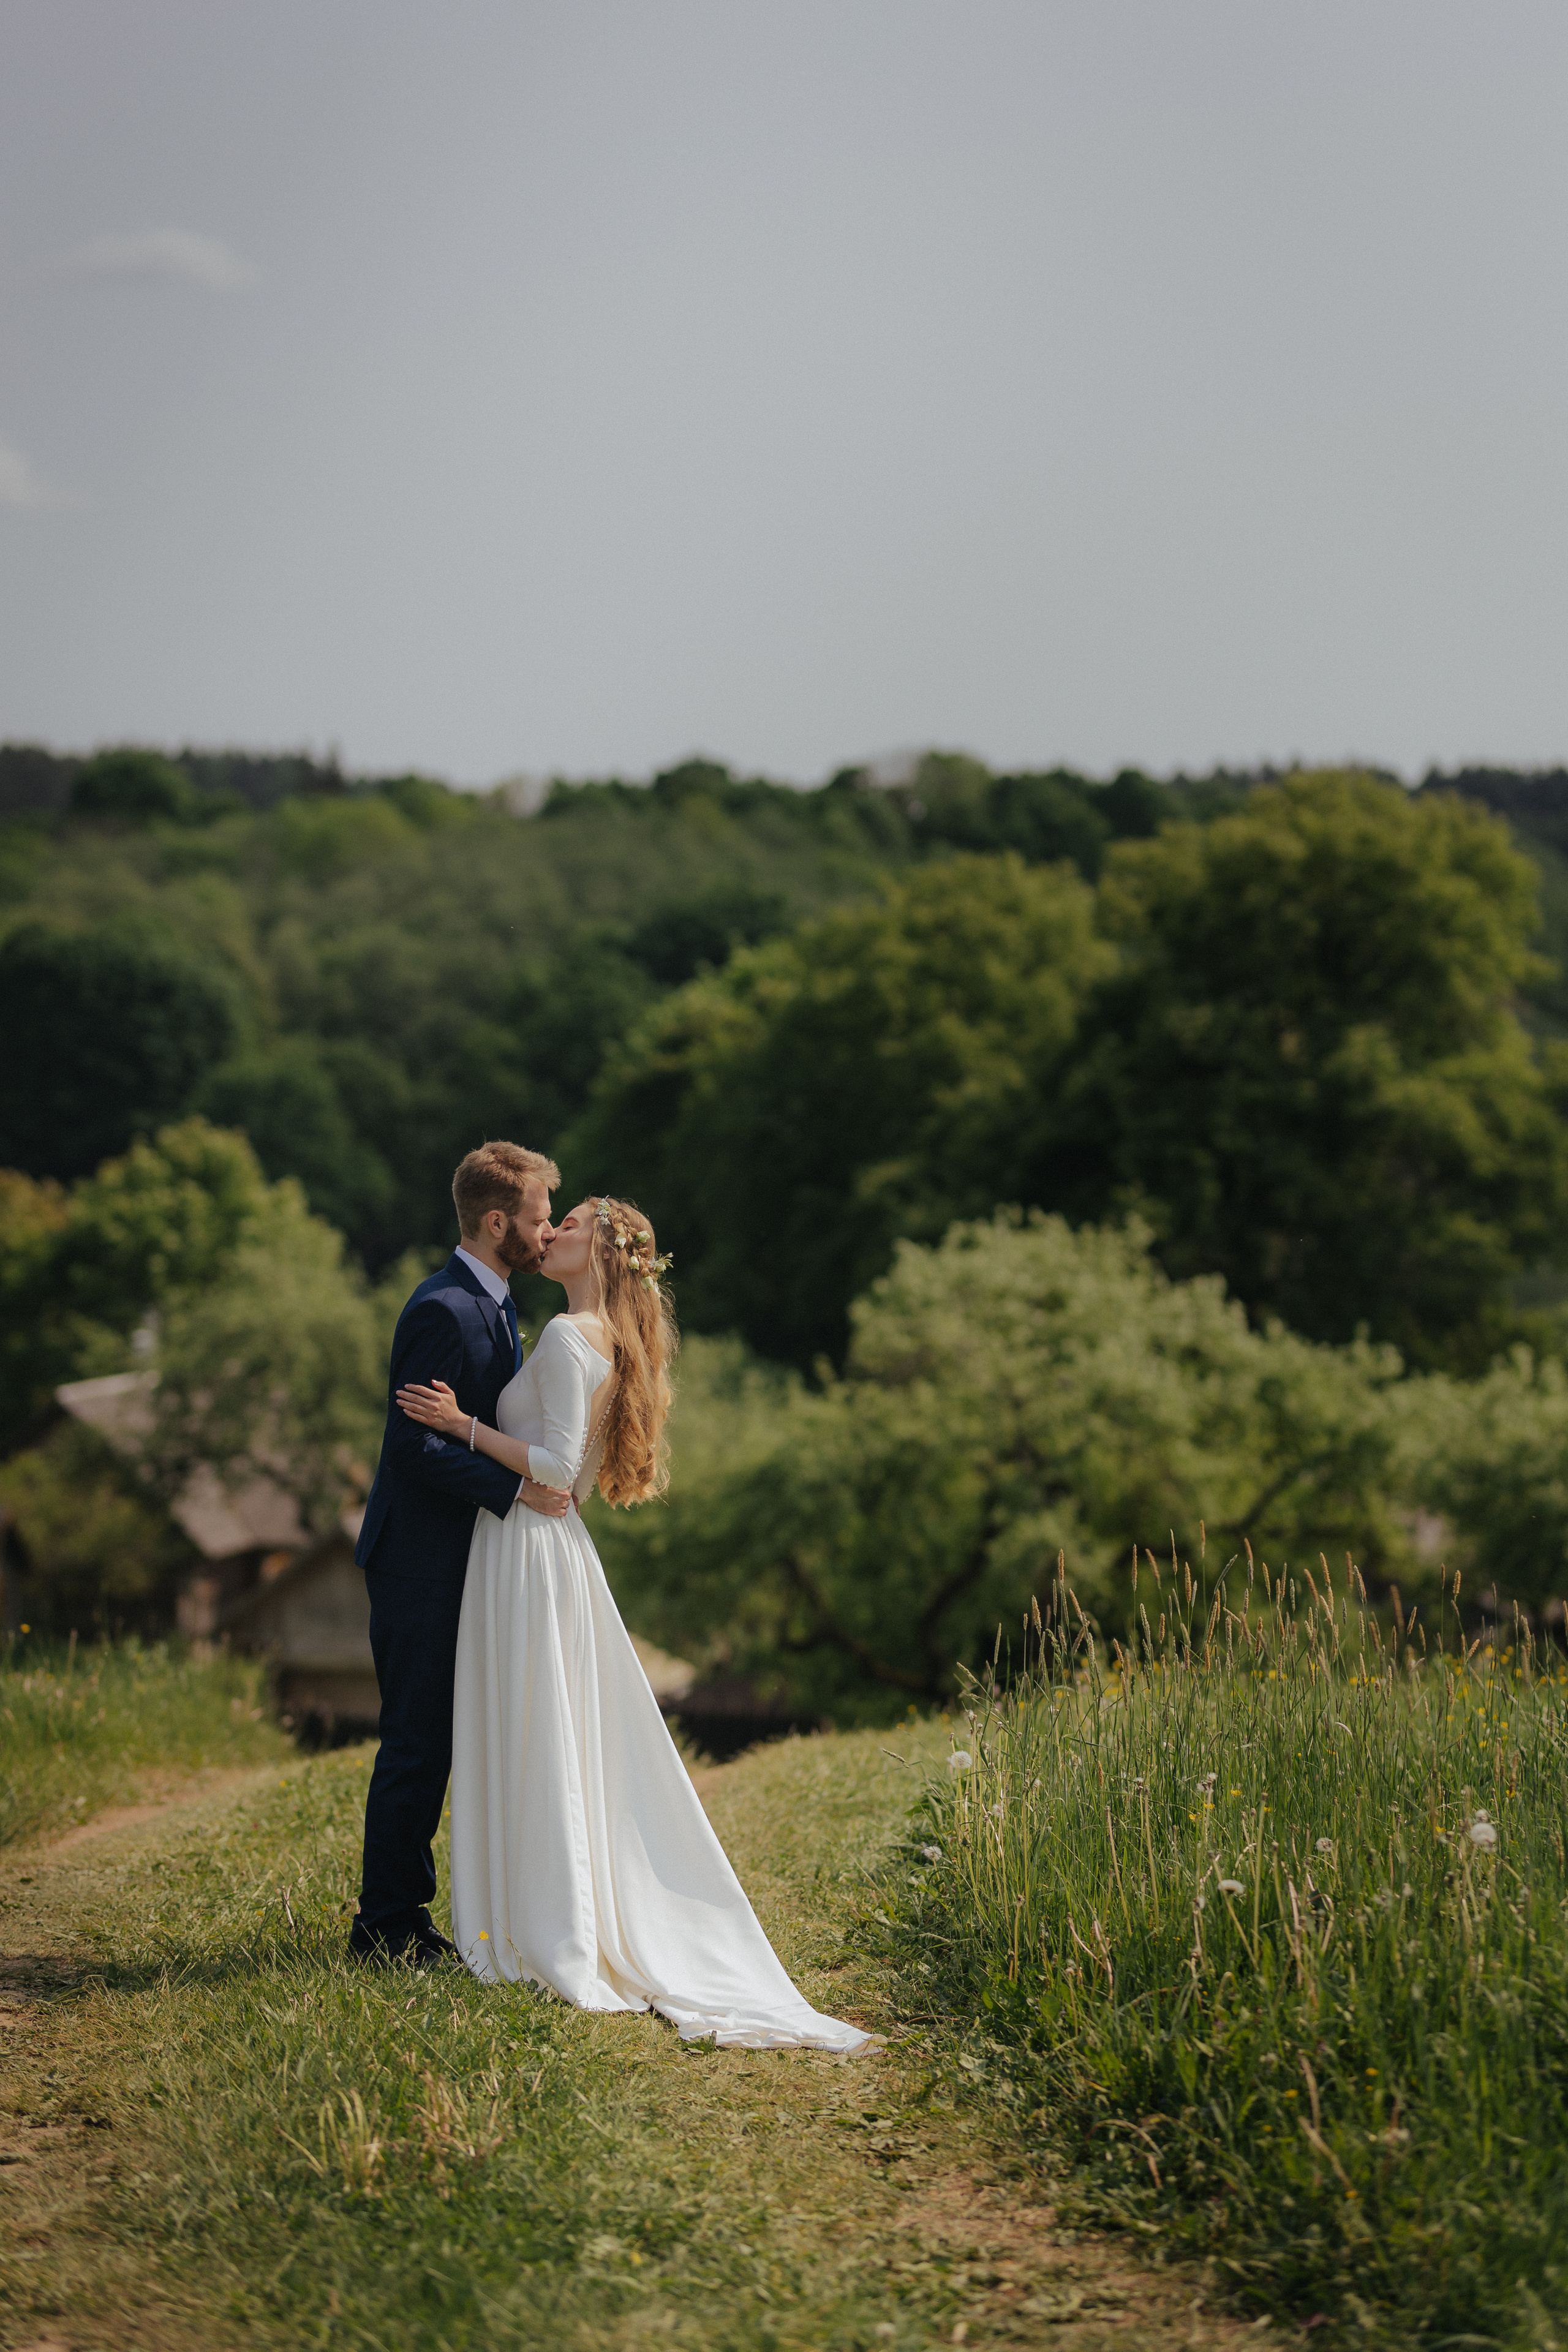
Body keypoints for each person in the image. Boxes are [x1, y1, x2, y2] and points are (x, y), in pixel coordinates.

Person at [396, 1195, 872, 2049]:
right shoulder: (602, 1342)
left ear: (605, 1254)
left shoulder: (565, 1337)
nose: (552, 1234)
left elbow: (552, 1468)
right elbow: (571, 1483)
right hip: (548, 1547)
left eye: (569, 1225)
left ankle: (536, 1925)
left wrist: (461, 1424)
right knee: (548, 1731)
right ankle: (534, 1911)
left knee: (536, 1730)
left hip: (530, 1554)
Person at [350, 1141, 572, 1967]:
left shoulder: (500, 1302)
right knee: (417, 1741)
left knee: (444, 1738)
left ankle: (412, 1915)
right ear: (496, 1221)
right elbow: (413, 1452)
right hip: (418, 1559)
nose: (547, 1234)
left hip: (463, 1561)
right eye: (540, 1218)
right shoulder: (443, 1309)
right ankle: (386, 1925)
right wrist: (517, 1491)